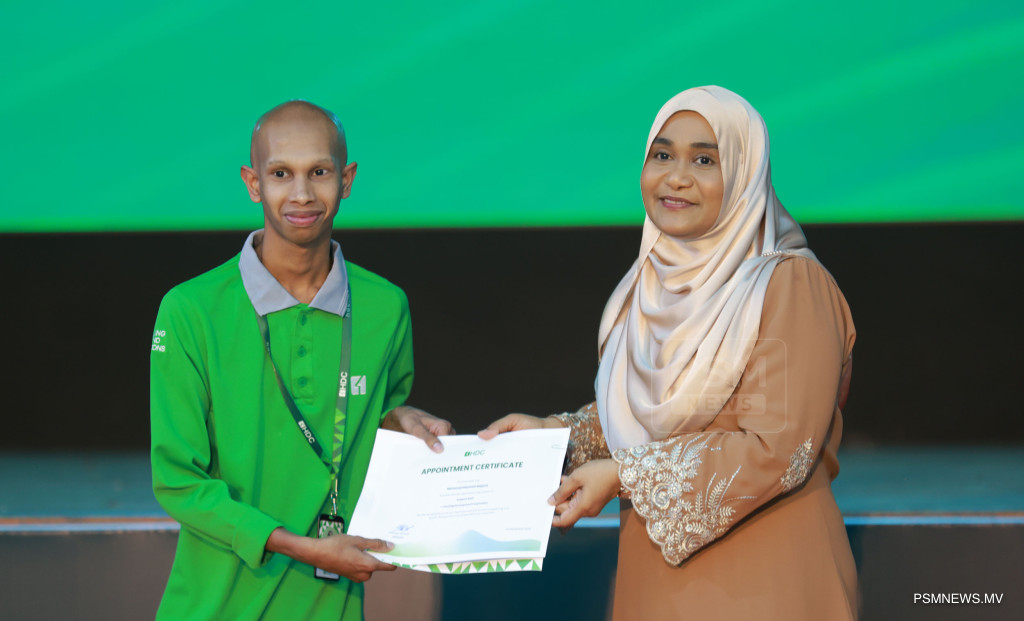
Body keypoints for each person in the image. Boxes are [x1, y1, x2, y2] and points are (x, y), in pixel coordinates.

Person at [480, 86, 858, 619]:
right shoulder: (645, 289)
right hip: (653, 583)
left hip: (765, 585)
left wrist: (625, 476)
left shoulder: (789, 284)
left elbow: (778, 448)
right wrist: (556, 437)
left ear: (746, 173)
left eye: (705, 160)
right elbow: (655, 414)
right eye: (662, 155)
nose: (676, 177)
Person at [150, 100, 452, 620]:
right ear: (253, 184)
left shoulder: (385, 307)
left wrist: (397, 421)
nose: (302, 193)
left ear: (346, 179)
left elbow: (365, 427)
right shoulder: (189, 310)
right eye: (280, 174)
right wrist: (302, 547)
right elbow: (179, 481)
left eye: (319, 172)